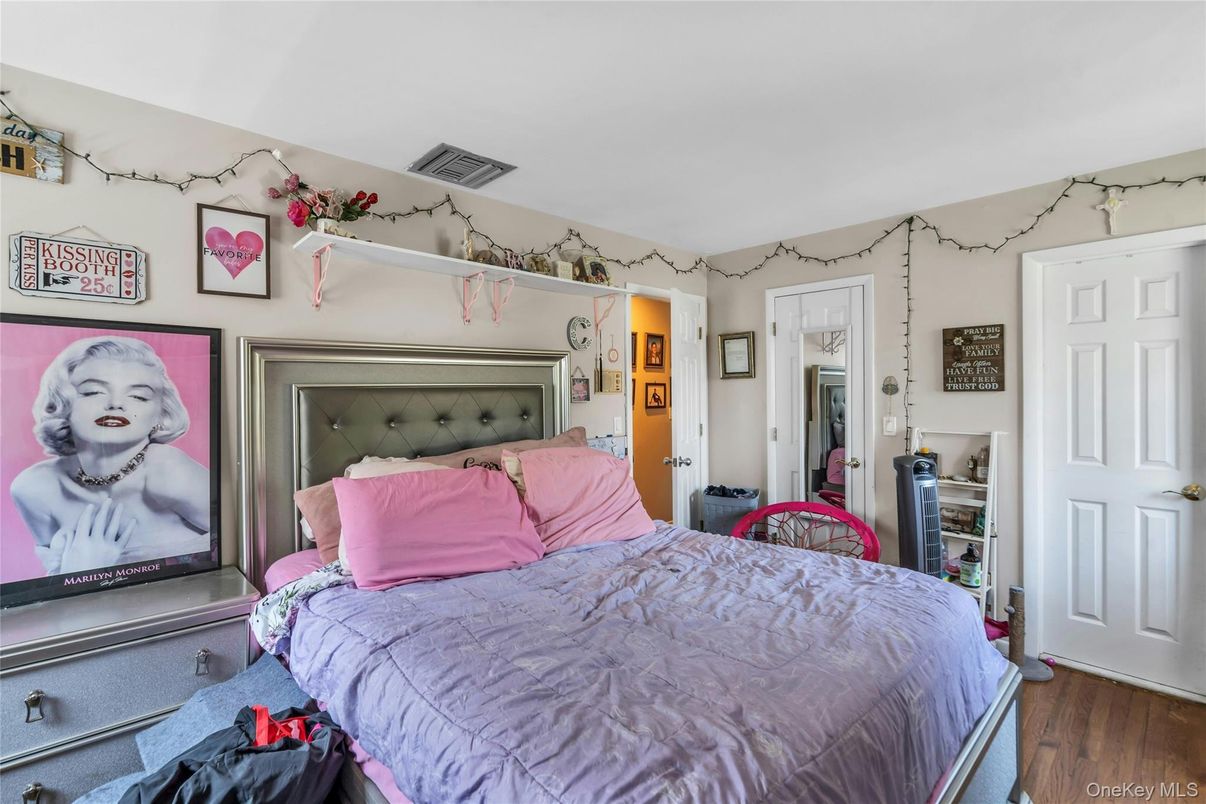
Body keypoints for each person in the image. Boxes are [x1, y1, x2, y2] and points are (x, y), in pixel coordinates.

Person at [10, 336, 210, 575]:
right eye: (93, 392)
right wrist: (81, 568)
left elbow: (238, 546)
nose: (115, 404)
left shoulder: (168, 470)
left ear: (161, 415)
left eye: (138, 396)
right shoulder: (34, 488)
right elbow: (56, 584)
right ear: (62, 405)